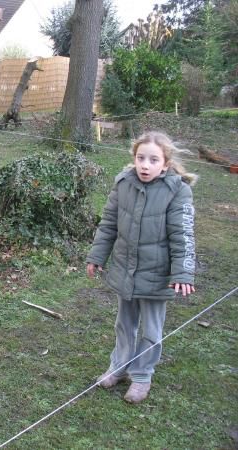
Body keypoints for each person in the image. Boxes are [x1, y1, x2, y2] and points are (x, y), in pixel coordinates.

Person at [86, 131, 197, 404]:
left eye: (153, 159)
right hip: (126, 270)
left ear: (166, 164)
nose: (145, 165)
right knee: (124, 324)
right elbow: (108, 224)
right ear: (134, 159)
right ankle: (119, 366)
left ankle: (141, 375)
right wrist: (96, 256)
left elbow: (183, 234)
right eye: (141, 158)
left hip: (157, 276)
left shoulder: (177, 191)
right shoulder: (123, 184)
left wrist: (182, 272)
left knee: (151, 330)